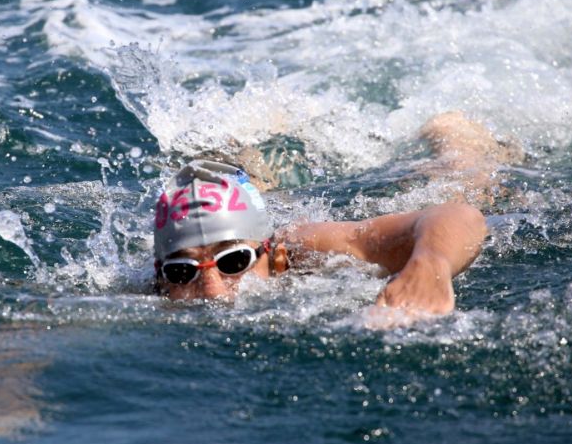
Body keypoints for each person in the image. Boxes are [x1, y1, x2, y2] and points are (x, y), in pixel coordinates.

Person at [151, 111, 517, 315]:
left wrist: (431, 263)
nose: (213, 292)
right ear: (160, 277)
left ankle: (453, 134)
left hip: (345, 210)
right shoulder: (149, 294)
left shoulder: (304, 249)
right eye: (182, 272)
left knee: (467, 182)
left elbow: (461, 215)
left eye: (234, 262)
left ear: (274, 258)